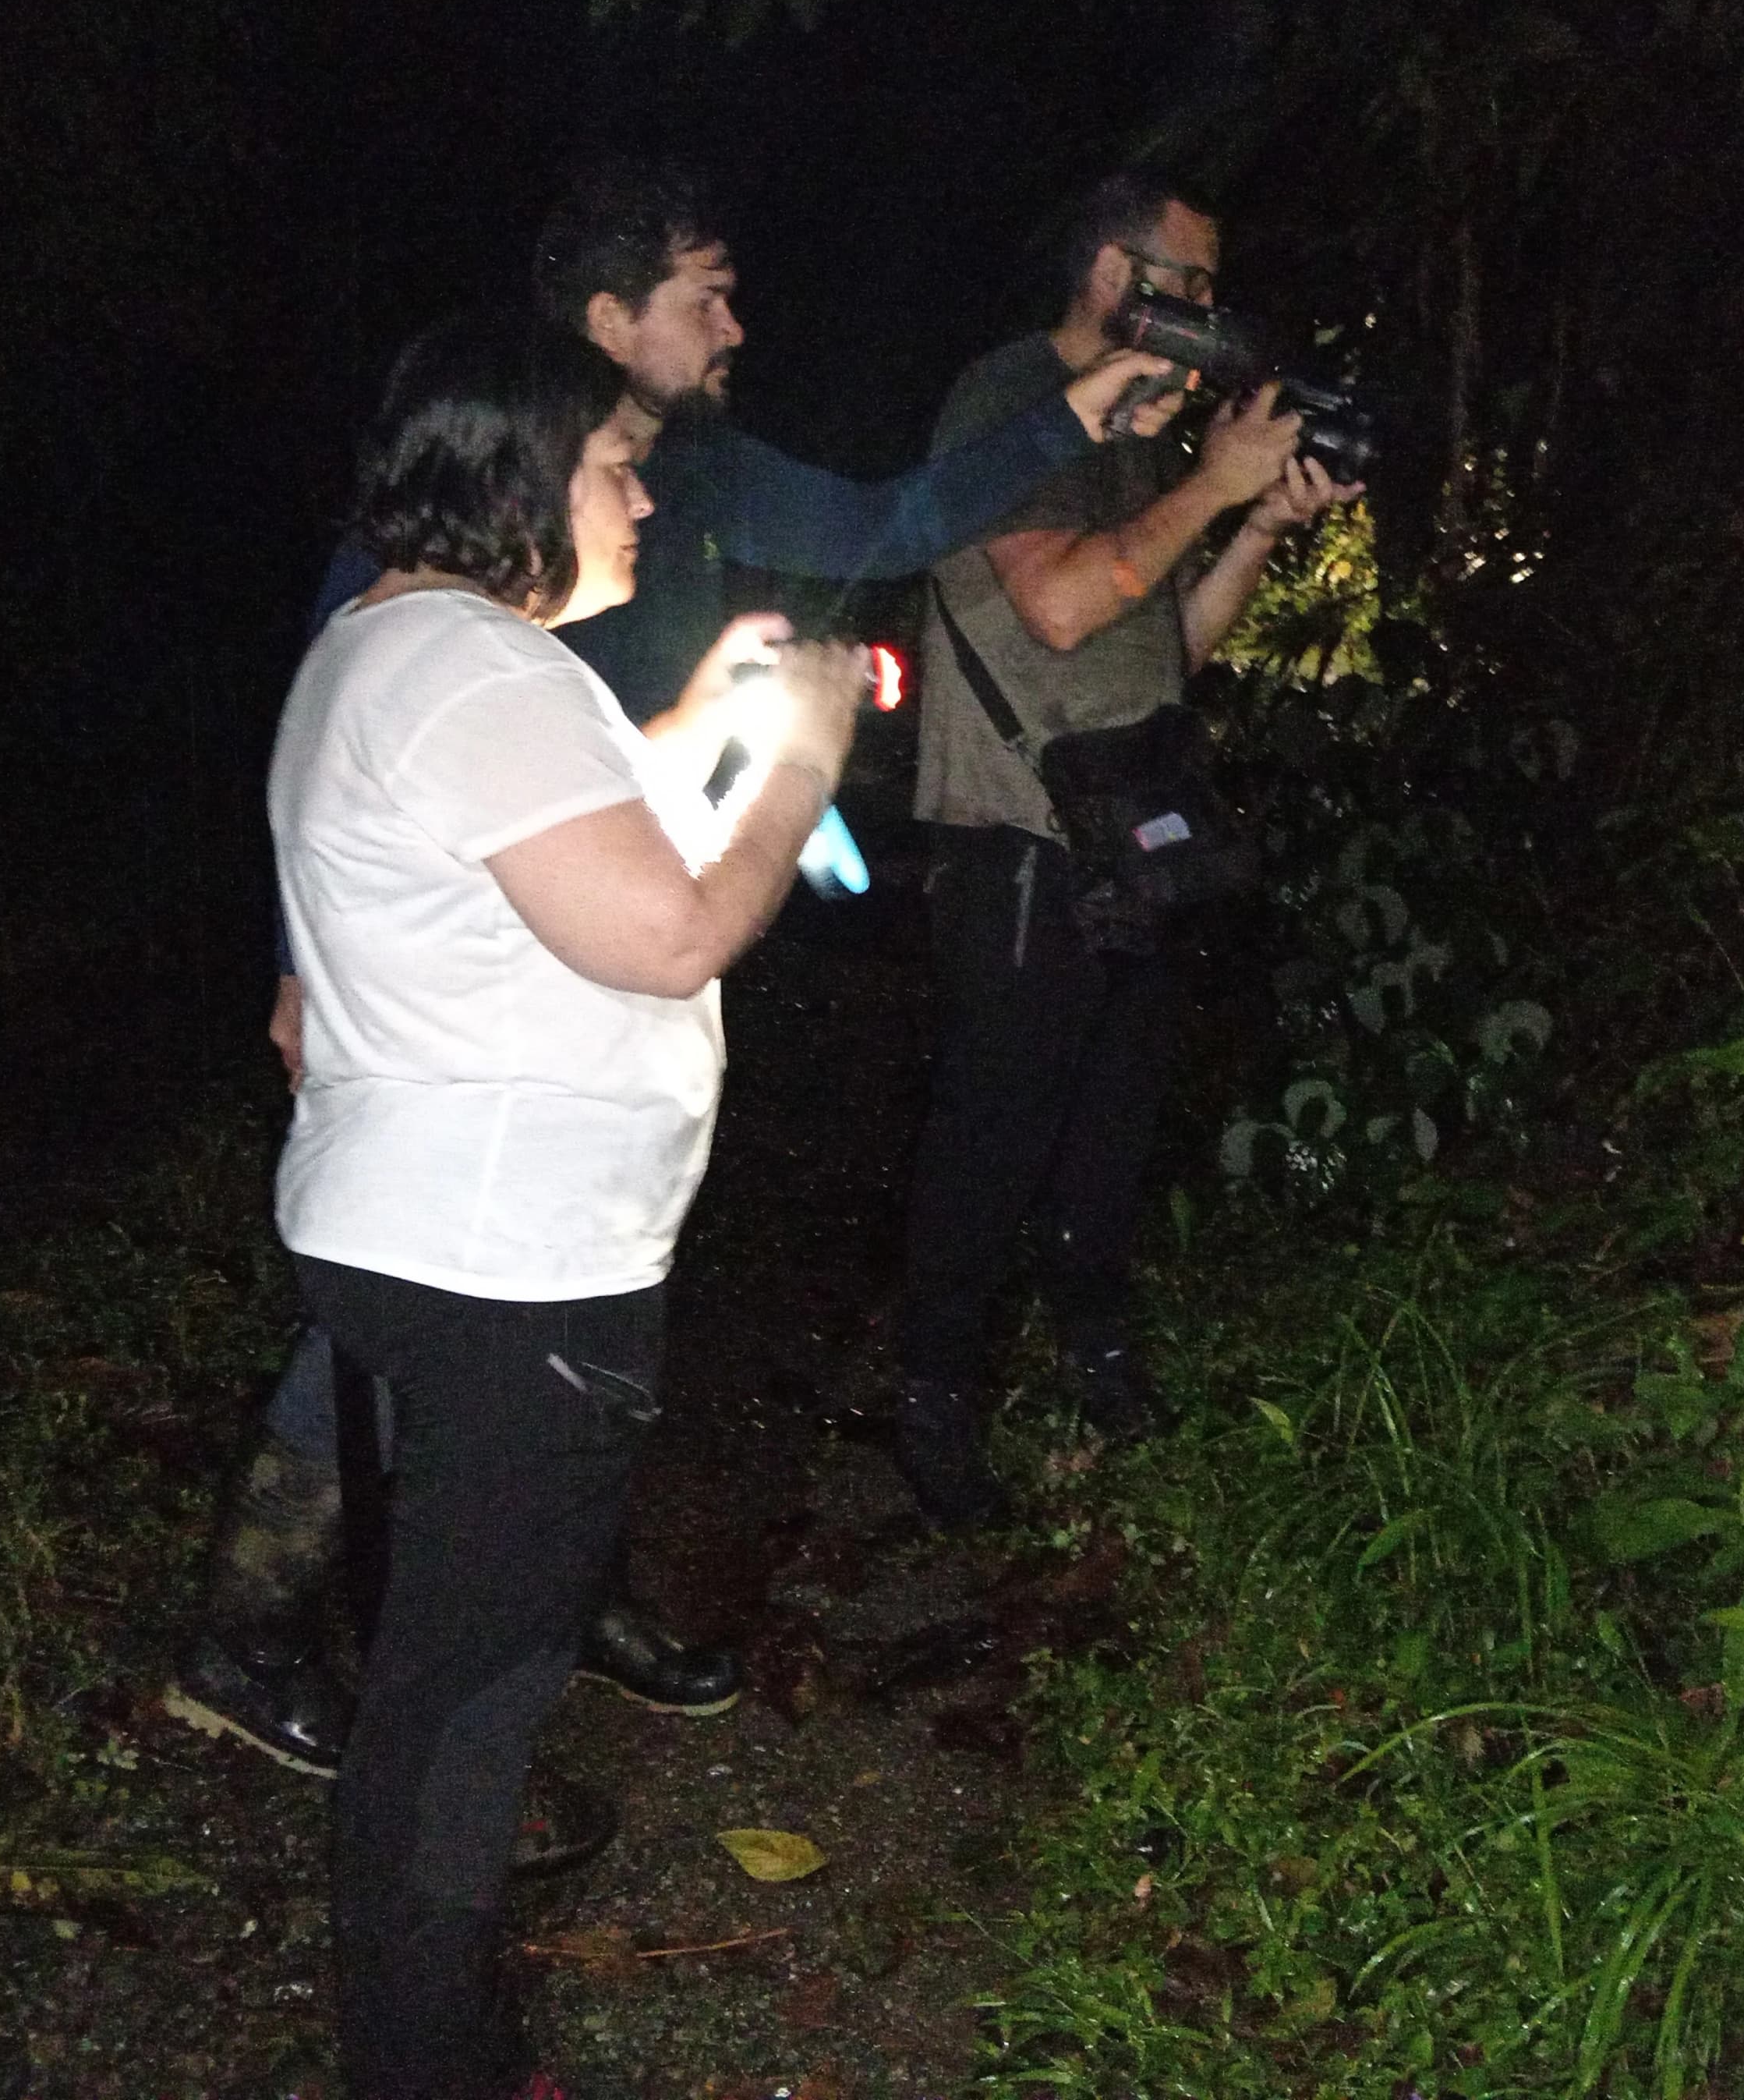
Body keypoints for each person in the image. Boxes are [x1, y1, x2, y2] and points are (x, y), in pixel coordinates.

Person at [172, 159, 1172, 1774]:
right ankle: (258, 1623)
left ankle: (563, 1592)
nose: (737, 324)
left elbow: (892, 520)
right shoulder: (472, 511)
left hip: (603, 944)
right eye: (705, 293)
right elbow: (346, 736)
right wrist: (307, 965)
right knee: (415, 1298)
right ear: (604, 325)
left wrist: (1074, 412)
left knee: (580, 1286)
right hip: (476, 979)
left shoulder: (694, 478)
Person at [266, 311, 868, 2099]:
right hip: (510, 1271)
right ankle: (426, 2062)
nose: (641, 494)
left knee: (445, 1674)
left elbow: (551, 855)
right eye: (614, 465)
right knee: (467, 1711)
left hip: (421, 1237)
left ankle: (422, 2027)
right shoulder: (476, 674)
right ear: (519, 473)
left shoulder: (396, 652)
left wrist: (697, 725)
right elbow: (670, 926)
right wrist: (812, 756)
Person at [893, 172, 1353, 1529]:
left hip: (1133, 839)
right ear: (1112, 272)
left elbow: (1163, 649)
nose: (1213, 314)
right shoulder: (1009, 406)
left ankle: (1100, 1364)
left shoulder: (1148, 439)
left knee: (1109, 1132)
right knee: (995, 1139)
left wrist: (1254, 520)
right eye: (1192, 282)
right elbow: (1058, 607)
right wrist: (1212, 480)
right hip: (1022, 849)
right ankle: (934, 1404)